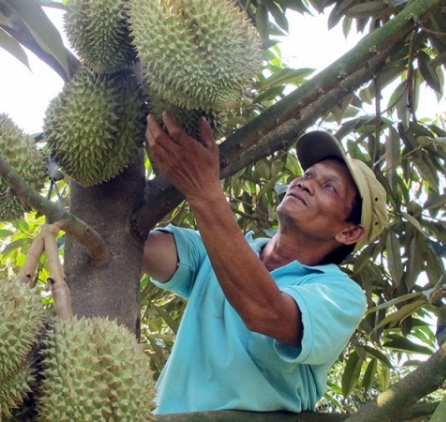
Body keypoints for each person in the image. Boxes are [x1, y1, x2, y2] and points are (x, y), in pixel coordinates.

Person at [142, 112, 388, 414]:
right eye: (308, 174)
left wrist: (204, 192)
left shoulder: (339, 294)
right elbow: (140, 248)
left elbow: (265, 313)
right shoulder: (219, 250)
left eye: (329, 187)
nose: (304, 183)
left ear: (349, 231)